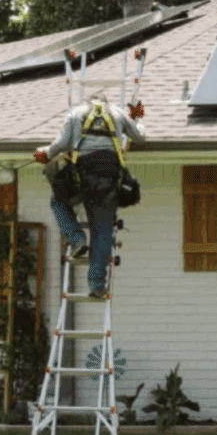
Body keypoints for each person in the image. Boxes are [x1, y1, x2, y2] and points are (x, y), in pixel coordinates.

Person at [35, 95, 145, 297]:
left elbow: (60, 144)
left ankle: (77, 238)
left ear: (88, 102)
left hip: (81, 176)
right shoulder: (118, 113)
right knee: (102, 231)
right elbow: (140, 137)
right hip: (108, 178)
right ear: (105, 102)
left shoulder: (75, 113)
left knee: (58, 201)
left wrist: (45, 155)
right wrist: (137, 118)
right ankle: (96, 285)